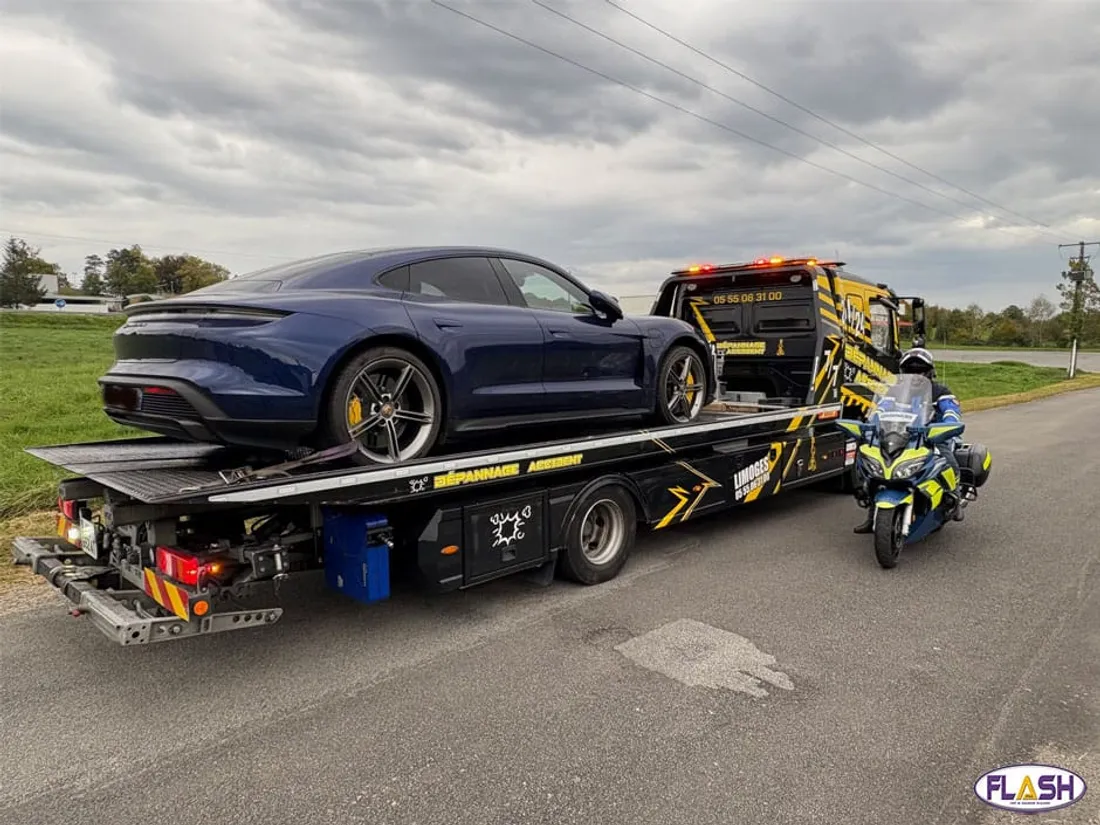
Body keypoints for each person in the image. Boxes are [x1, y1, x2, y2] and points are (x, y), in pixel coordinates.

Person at [853, 347, 964, 534]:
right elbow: (881, 409)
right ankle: (872, 513)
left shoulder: (939, 391)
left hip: (931, 436)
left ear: (929, 371)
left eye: (920, 369)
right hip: (898, 435)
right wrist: (871, 422)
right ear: (904, 372)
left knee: (948, 459)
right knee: (869, 458)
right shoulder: (895, 392)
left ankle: (954, 497)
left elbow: (951, 410)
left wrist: (949, 423)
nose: (916, 374)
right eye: (911, 370)